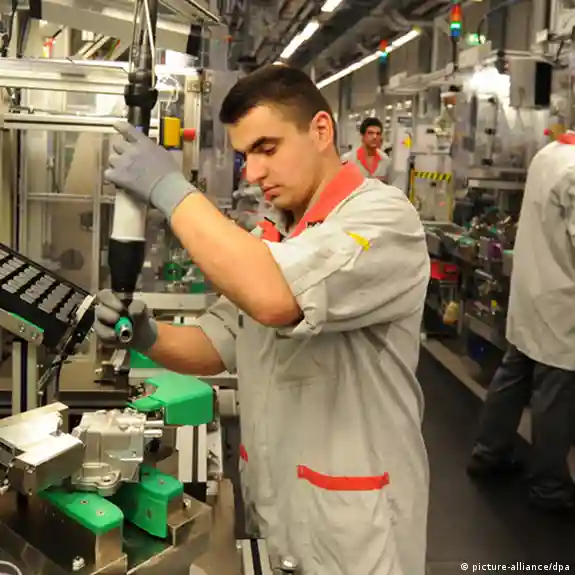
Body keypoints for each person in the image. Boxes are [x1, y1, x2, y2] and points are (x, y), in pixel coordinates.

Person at [97, 65, 431, 573]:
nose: (252, 173)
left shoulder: (384, 220)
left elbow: (275, 298)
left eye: (266, 149)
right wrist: (148, 335)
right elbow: (216, 342)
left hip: (356, 529)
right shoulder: (276, 235)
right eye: (245, 156)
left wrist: (168, 189)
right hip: (281, 516)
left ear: (321, 131)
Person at [467, 135, 575, 514]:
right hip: (563, 302)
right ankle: (549, 486)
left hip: (532, 292)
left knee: (514, 374)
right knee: (555, 395)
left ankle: (488, 453)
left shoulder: (550, 154)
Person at [343, 117, 390, 182]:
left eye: (378, 134)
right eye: (370, 133)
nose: (375, 137)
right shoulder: (347, 160)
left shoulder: (385, 160)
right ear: (362, 135)